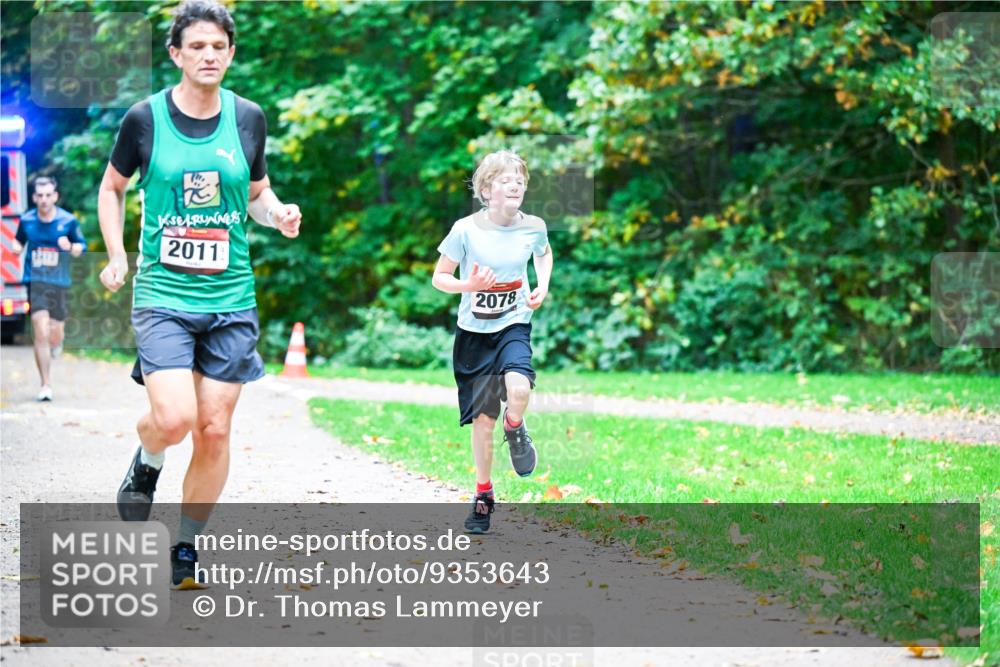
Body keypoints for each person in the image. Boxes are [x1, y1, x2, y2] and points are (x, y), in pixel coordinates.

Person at [96, 0, 302, 589]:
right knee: (175, 418)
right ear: (176, 54)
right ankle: (148, 460)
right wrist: (117, 254)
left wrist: (278, 213)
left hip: (231, 297)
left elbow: (257, 194)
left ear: (230, 53)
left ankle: (185, 547)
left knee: (213, 427)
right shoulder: (144, 119)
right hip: (163, 292)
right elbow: (112, 188)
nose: (208, 55)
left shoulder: (248, 118)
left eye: (218, 46)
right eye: (197, 46)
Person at [432, 150, 553, 534]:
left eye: (520, 179)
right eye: (505, 179)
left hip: (513, 324)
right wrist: (468, 284)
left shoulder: (534, 226)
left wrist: (542, 284)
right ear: (486, 190)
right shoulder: (465, 230)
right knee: (483, 421)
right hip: (473, 336)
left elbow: (544, 254)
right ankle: (483, 496)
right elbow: (439, 277)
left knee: (519, 390)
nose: (515, 184)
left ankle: (514, 427)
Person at [12, 176, 86, 401]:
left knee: (55, 333)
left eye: (48, 195)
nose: (44, 199)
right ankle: (45, 385)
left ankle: (57, 342)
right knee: (40, 330)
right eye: (40, 195)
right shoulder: (26, 220)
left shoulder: (68, 221)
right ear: (34, 198)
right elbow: (18, 241)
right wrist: (16, 248)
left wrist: (70, 246)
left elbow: (82, 248)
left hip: (59, 283)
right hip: (36, 281)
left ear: (55, 196)